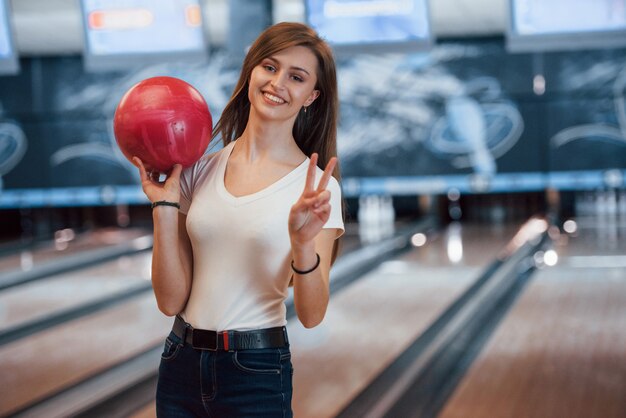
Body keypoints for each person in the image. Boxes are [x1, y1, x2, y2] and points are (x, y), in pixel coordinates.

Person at [133, 22, 345, 417]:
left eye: (296, 77)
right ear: (251, 71)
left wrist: (301, 244)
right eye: (269, 66)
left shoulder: (317, 188)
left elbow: (313, 315)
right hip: (180, 362)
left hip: (256, 371)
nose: (278, 82)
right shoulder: (199, 170)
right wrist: (164, 209)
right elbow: (169, 300)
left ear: (311, 96)